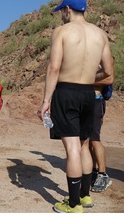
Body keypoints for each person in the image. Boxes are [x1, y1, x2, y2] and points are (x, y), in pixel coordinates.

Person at [37, 0, 114, 213]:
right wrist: (90, 76)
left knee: (72, 148)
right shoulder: (100, 34)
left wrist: (46, 101)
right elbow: (108, 71)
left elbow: (54, 68)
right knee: (84, 145)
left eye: (61, 11)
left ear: (68, 9)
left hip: (66, 92)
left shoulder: (61, 31)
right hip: (89, 93)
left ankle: (73, 205)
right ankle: (85, 196)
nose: (61, 14)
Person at [89, 61, 114, 192]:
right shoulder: (91, 58)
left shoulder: (106, 59)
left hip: (96, 101)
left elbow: (108, 79)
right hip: (86, 102)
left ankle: (103, 174)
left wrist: (86, 79)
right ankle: (93, 171)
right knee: (87, 140)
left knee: (94, 138)